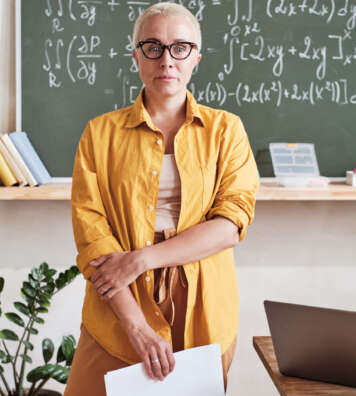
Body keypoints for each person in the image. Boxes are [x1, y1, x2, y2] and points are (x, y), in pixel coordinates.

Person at [64, 3, 259, 396]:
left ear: (196, 58)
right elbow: (92, 237)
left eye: (180, 48)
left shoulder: (227, 131)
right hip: (118, 300)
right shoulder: (99, 134)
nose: (166, 60)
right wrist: (135, 324)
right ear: (136, 56)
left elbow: (230, 225)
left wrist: (140, 260)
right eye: (152, 47)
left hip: (202, 303)